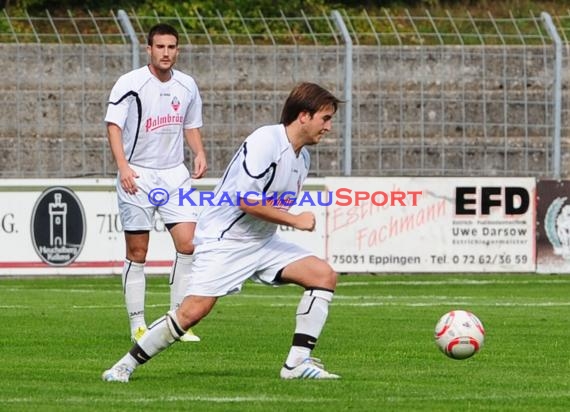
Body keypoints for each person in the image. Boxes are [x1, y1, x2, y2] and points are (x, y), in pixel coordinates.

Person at [102, 82, 342, 382]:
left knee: (323, 275)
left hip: (262, 242)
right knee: (191, 313)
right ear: (304, 116)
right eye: (326, 118)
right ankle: (123, 365)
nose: (329, 127)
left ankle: (296, 364)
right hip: (225, 241)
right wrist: (295, 220)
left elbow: (268, 203)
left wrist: (285, 216)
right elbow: (245, 200)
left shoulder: (301, 158)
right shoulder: (265, 141)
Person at [105, 23, 207, 343]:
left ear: (178, 50)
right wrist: (123, 167)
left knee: (188, 245)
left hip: (175, 175)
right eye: (160, 47)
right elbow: (113, 125)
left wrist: (199, 152)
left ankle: (176, 322)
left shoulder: (187, 85)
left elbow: (190, 125)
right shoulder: (131, 83)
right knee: (138, 251)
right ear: (148, 49)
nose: (166, 53)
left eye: (171, 47)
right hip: (138, 174)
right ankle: (137, 323)